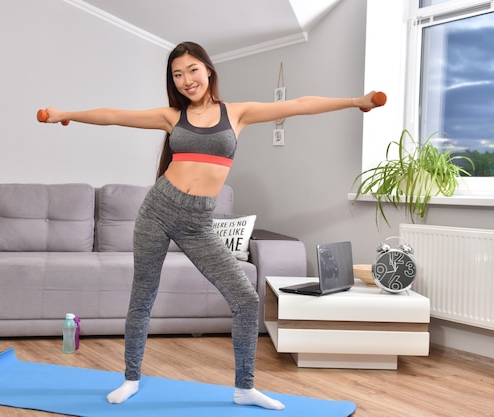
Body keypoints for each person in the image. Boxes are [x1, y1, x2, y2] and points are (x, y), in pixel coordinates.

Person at [41, 41, 381, 411]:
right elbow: (113, 115)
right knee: (143, 297)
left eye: (192, 70)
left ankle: (244, 388)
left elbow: (298, 105)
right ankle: (131, 379)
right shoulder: (173, 117)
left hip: (198, 223)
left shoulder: (237, 114)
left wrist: (354, 102)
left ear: (208, 70)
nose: (187, 80)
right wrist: (66, 113)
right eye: (177, 74)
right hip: (157, 211)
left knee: (246, 299)